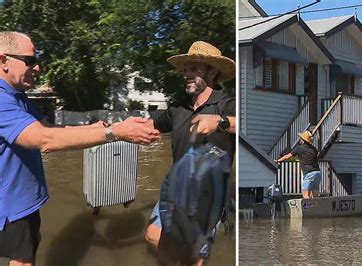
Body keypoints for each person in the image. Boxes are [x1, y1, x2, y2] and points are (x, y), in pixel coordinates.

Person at [0, 31, 160, 266]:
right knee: (23, 261)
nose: (38, 68)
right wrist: (115, 132)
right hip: (11, 206)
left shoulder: (19, 98)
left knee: (26, 252)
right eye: (30, 60)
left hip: (22, 203)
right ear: (3, 60)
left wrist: (96, 128)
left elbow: (50, 128)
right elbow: (44, 139)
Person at [144, 41, 236, 264]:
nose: (187, 74)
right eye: (186, 69)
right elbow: (149, 124)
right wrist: (110, 128)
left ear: (212, 72)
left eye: (194, 69)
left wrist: (220, 123)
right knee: (152, 235)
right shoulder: (178, 108)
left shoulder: (225, 104)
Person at [275, 131, 321, 199]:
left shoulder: (300, 148)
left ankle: (308, 209)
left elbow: (288, 156)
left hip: (309, 173)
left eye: (300, 138)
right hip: (317, 173)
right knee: (315, 196)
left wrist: (278, 160)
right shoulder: (313, 148)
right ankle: (316, 209)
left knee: (306, 196)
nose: (299, 139)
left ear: (303, 140)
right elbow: (317, 154)